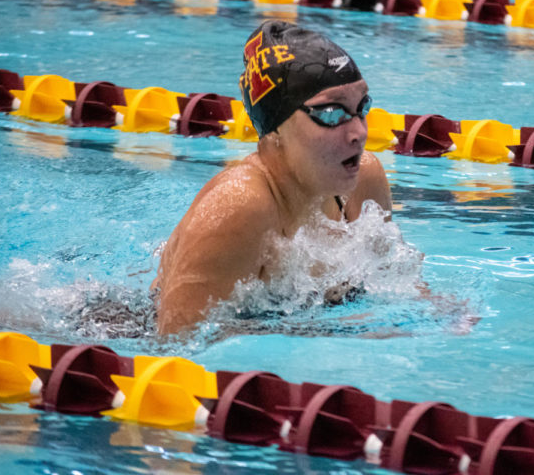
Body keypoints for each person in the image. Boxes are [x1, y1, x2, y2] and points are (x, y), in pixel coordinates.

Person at [152, 20, 392, 335]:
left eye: (362, 107)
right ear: (275, 128)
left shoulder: (364, 179)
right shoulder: (240, 208)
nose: (359, 132)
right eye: (331, 114)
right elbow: (175, 347)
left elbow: (394, 286)